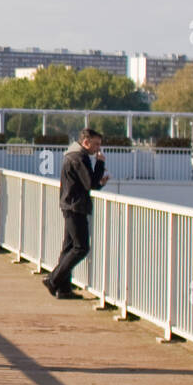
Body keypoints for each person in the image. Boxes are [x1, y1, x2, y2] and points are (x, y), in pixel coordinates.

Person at [45, 128, 110, 299]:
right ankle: (53, 280)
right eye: (96, 144)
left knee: (68, 247)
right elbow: (89, 183)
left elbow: (89, 183)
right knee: (81, 247)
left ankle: (64, 289)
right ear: (86, 142)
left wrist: (100, 182)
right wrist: (100, 164)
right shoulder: (79, 157)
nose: (98, 148)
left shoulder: (72, 155)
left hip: (69, 204)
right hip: (76, 206)